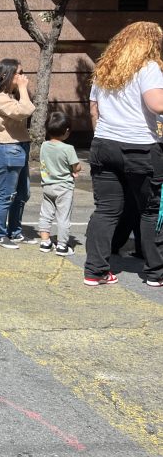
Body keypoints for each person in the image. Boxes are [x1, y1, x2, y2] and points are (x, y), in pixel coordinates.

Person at [85, 21, 163, 288]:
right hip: (140, 146)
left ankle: (95, 270)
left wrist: (102, 137)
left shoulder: (104, 70)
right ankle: (156, 272)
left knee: (106, 210)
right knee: (150, 210)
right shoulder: (149, 68)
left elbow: (94, 110)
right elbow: (156, 104)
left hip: (104, 144)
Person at [0, 58, 35, 249]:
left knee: (23, 193)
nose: (23, 77)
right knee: (6, 195)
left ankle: (15, 231)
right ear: (6, 75)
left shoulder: (8, 97)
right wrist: (23, 89)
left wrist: (20, 89)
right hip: (6, 149)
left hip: (18, 147)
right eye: (19, 73)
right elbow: (25, 110)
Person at [36, 112, 81, 255]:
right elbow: (76, 166)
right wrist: (76, 170)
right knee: (63, 217)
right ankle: (62, 245)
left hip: (47, 185)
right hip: (64, 188)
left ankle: (45, 242)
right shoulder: (68, 149)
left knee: (46, 213)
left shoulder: (44, 146)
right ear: (67, 131)